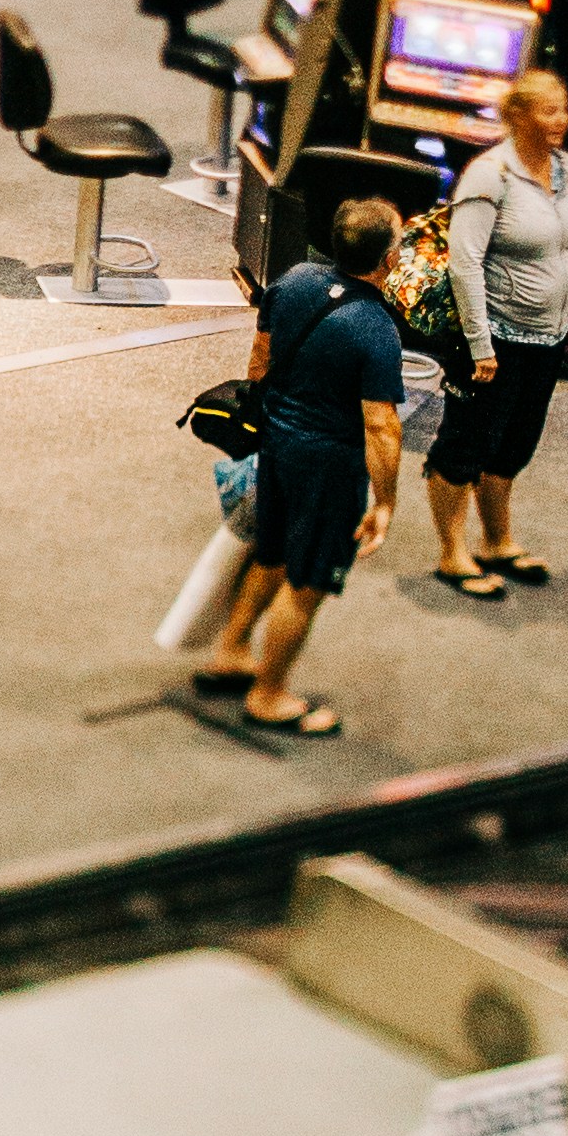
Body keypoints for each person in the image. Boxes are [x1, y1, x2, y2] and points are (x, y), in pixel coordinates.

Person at [192, 196, 406, 743]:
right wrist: (384, 502)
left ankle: (231, 651)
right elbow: (381, 426)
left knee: (271, 552)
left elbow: (260, 356)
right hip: (330, 467)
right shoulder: (375, 326)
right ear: (386, 260)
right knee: (307, 581)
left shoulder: (294, 280)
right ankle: (268, 694)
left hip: (279, 445)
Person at [428, 67, 568, 596]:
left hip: (548, 337)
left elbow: (560, 241)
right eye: (550, 110)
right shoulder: (490, 176)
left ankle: (498, 541)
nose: (562, 120)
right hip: (496, 339)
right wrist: (480, 345)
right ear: (518, 115)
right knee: (465, 446)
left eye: (565, 109)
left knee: (513, 444)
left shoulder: (564, 170)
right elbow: (464, 264)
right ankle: (452, 552)